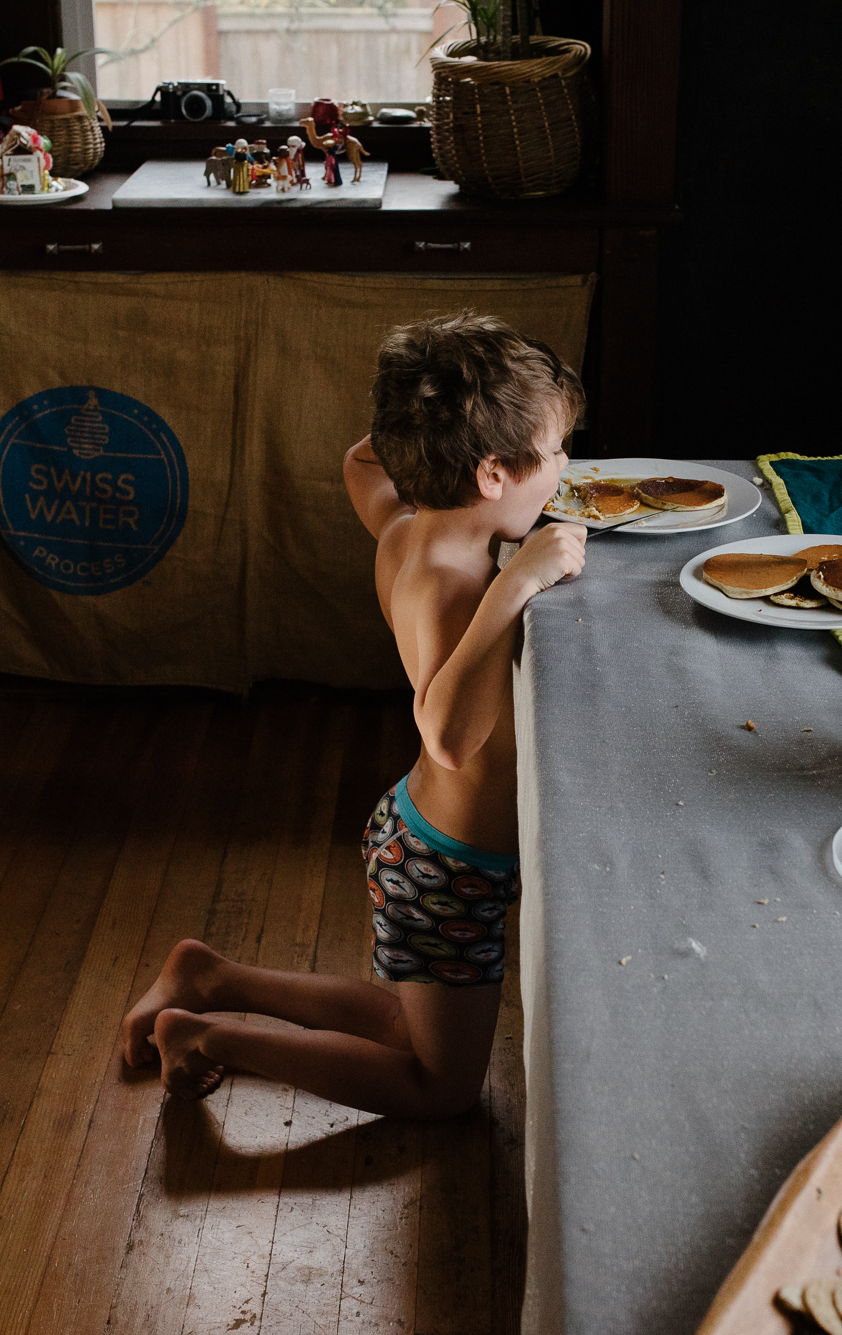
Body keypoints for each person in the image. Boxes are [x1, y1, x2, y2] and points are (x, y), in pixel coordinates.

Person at [119, 312, 588, 1118]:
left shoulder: (403, 524)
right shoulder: (455, 583)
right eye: (553, 456)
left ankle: (211, 976)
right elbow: (444, 732)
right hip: (449, 867)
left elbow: (360, 457)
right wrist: (522, 582)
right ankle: (210, 1037)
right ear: (490, 475)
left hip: (422, 840)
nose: (566, 468)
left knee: (413, 1028)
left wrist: (424, 411)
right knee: (439, 1087)